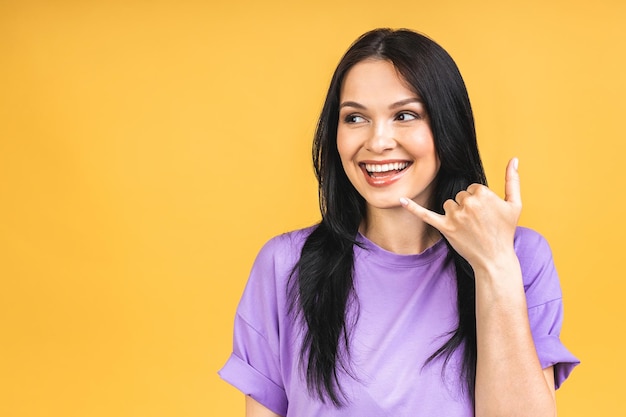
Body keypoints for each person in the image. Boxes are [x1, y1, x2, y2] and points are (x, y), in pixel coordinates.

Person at [219, 28, 579, 417]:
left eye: (404, 115)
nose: (377, 141)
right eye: (355, 117)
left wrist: (494, 265)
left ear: (447, 125)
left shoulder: (520, 257)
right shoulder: (284, 264)